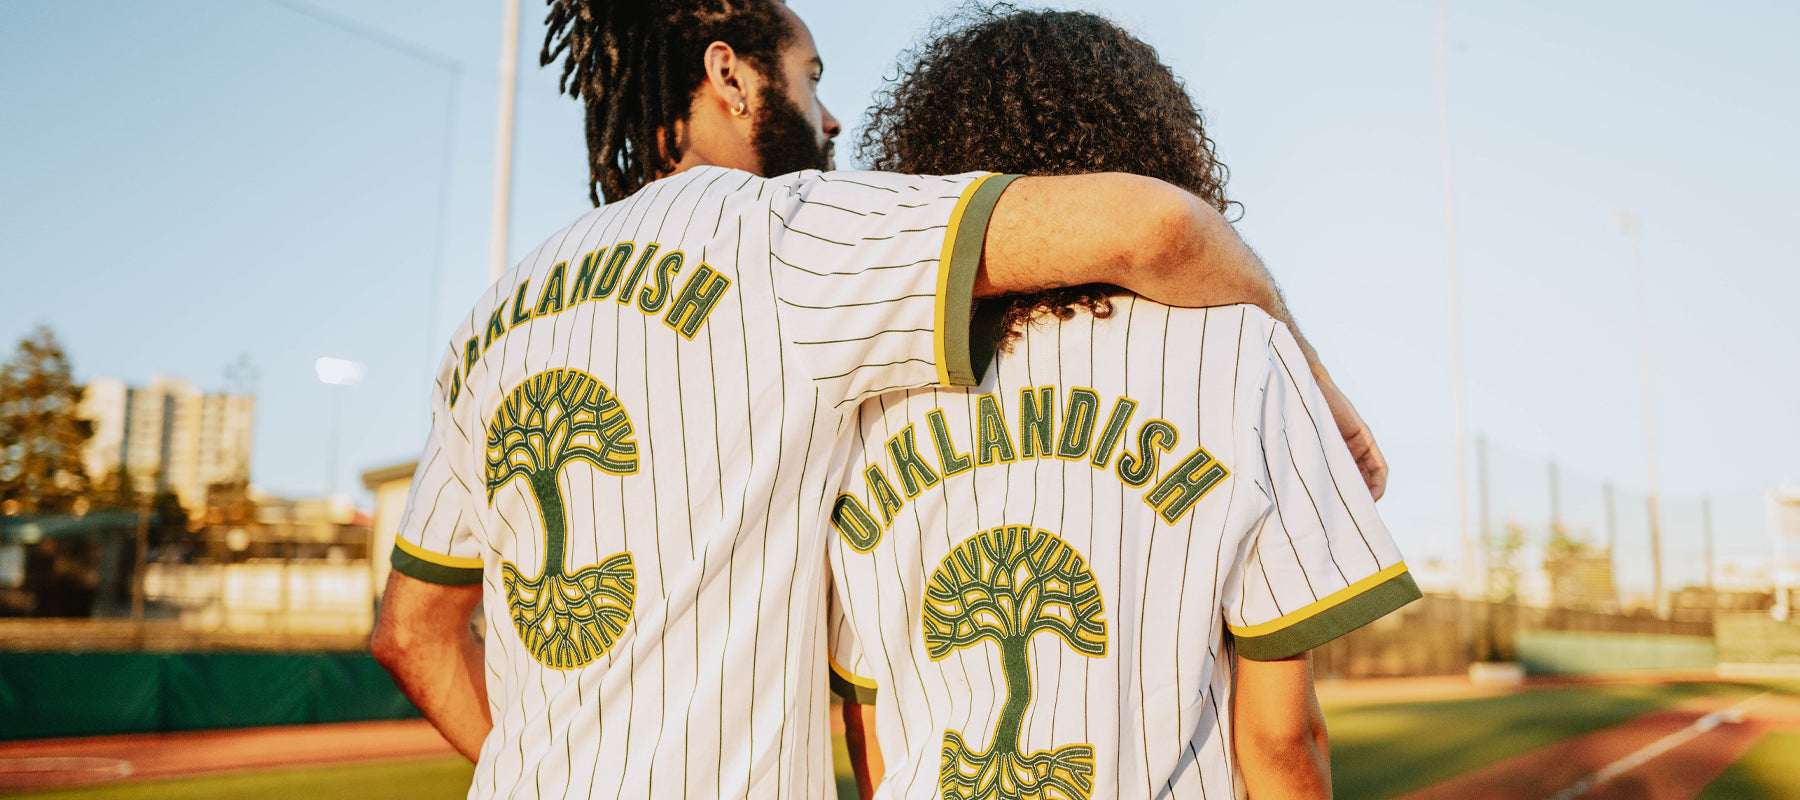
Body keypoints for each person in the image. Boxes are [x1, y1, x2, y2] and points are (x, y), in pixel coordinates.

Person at [370, 1, 1381, 797]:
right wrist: (1315, 384)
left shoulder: (494, 311)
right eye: (811, 76)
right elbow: (1158, 230)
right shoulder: (788, 230)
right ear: (731, 74)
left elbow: (411, 631)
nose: (834, 116)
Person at [824, 8, 1420, 799]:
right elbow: (1281, 739)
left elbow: (868, 736)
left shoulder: (864, 395)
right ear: (1154, 151)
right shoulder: (1242, 353)